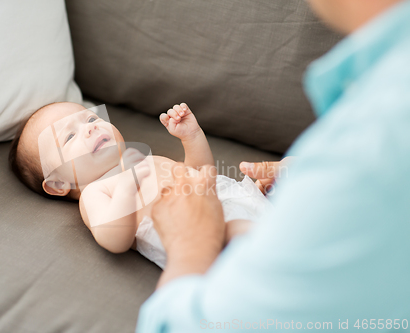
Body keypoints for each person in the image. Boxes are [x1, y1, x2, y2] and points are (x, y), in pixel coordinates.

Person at [136, 0, 410, 331]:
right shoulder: (375, 120)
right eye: (68, 135)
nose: (91, 127)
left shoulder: (366, 147)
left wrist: (191, 248)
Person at [8, 102, 271, 269]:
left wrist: (192, 138)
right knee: (246, 233)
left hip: (231, 201)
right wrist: (125, 189)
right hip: (204, 237)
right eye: (69, 136)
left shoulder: (147, 159)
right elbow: (113, 239)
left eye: (90, 120)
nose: (89, 129)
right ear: (58, 183)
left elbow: (200, 173)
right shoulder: (95, 191)